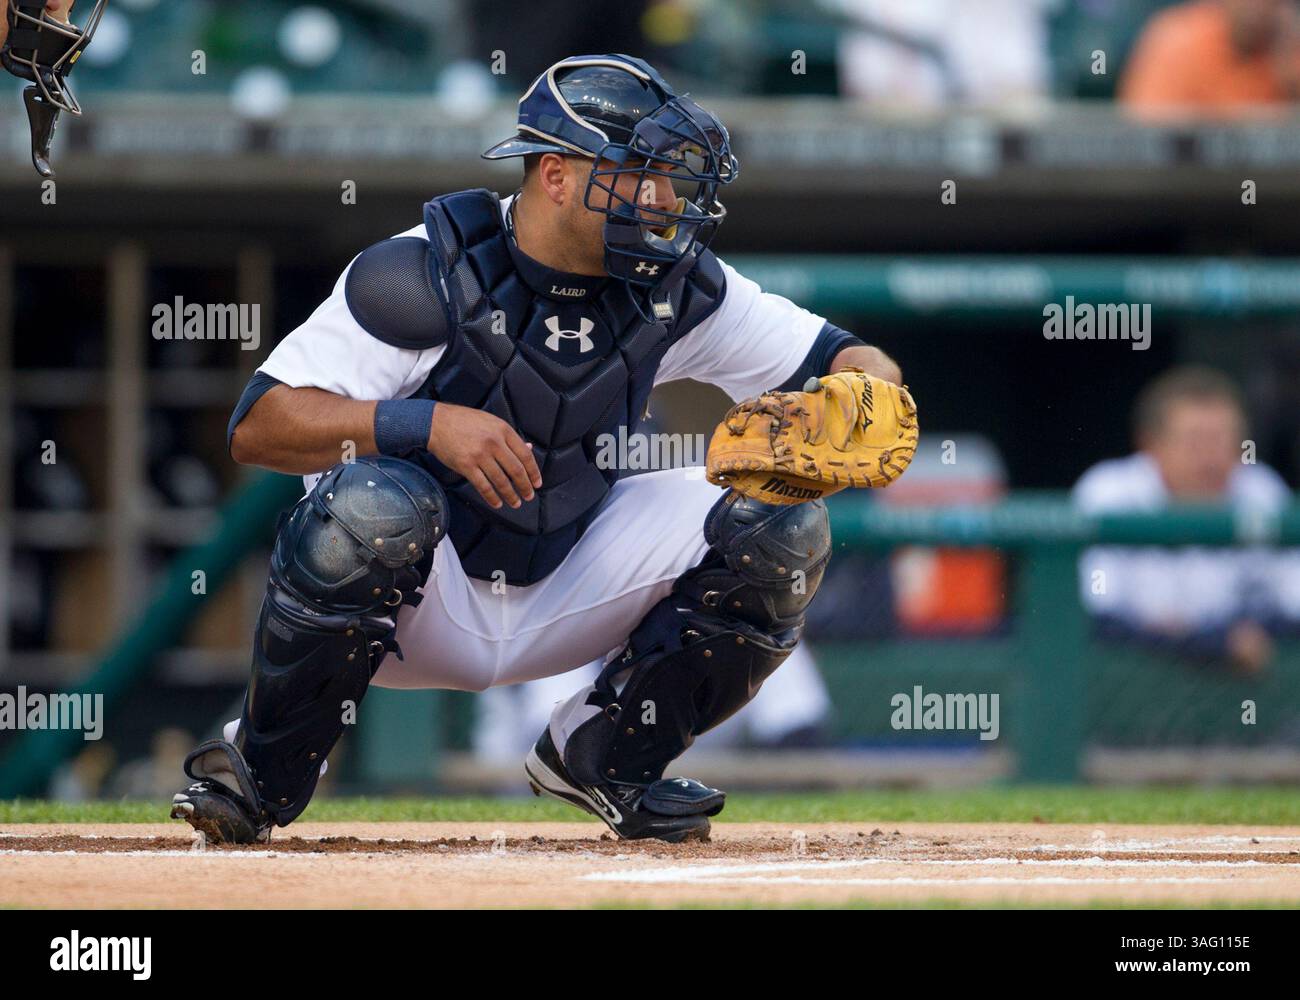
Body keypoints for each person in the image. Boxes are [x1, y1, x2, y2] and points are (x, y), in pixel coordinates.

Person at [169, 54, 908, 845]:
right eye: (639, 173)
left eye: (667, 176)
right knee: (368, 507)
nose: (663, 199)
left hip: (571, 580)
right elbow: (260, 425)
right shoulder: (421, 270)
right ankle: (264, 772)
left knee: (781, 525)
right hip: (419, 596)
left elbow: (845, 353)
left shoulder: (676, 283)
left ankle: (607, 758)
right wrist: (427, 424)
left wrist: (865, 391)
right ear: (555, 175)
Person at [1073, 367, 1292, 675]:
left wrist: (1234, 635)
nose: (1211, 457)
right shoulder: (1108, 492)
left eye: (1224, 439)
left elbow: (1293, 604)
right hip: (1129, 685)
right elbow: (1094, 615)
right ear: (1150, 443)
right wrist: (1206, 643)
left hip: (1241, 690)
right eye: (1195, 440)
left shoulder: (1262, 492)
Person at [1120, 0, 1300, 116]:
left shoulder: (1287, 47)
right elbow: (1149, 136)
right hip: (1190, 174)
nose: (1257, 6)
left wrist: (1288, 75)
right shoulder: (1178, 40)